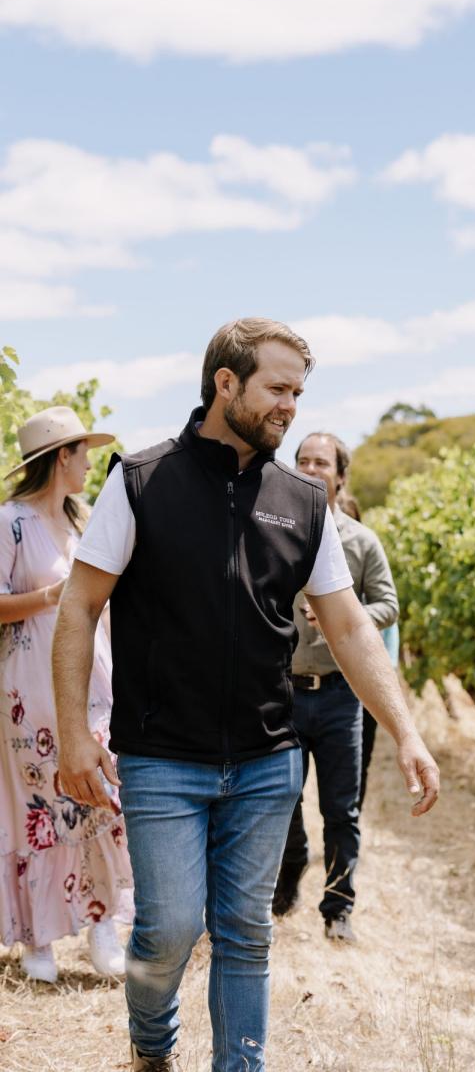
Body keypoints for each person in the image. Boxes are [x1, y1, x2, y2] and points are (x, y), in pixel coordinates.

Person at [51, 318, 439, 1072]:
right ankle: (153, 1041)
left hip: (267, 760)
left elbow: (352, 627)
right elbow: (78, 608)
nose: (291, 406)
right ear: (225, 383)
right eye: (278, 388)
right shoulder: (139, 479)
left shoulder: (302, 500)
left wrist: (408, 731)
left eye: (300, 392)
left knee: (243, 932)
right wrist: (73, 733)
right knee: (166, 930)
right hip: (162, 755)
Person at [0, 406, 131, 983]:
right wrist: (52, 595)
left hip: (91, 679)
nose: (88, 465)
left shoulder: (81, 523)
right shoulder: (10, 523)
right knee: (40, 810)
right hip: (28, 688)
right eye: (83, 454)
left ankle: (103, 929)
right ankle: (40, 943)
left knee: (99, 796)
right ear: (61, 457)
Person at [272, 434, 398, 941]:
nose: (309, 467)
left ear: (340, 476)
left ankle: (338, 908)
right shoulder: (275, 529)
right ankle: (290, 871)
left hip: (342, 696)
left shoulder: (361, 543)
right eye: (302, 460)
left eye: (320, 462)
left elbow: (388, 604)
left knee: (341, 808)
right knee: (281, 798)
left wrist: (342, 619)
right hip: (282, 692)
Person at [334, 488, 400, 811]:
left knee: (356, 767)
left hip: (362, 685)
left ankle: (350, 822)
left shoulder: (364, 551)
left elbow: (388, 632)